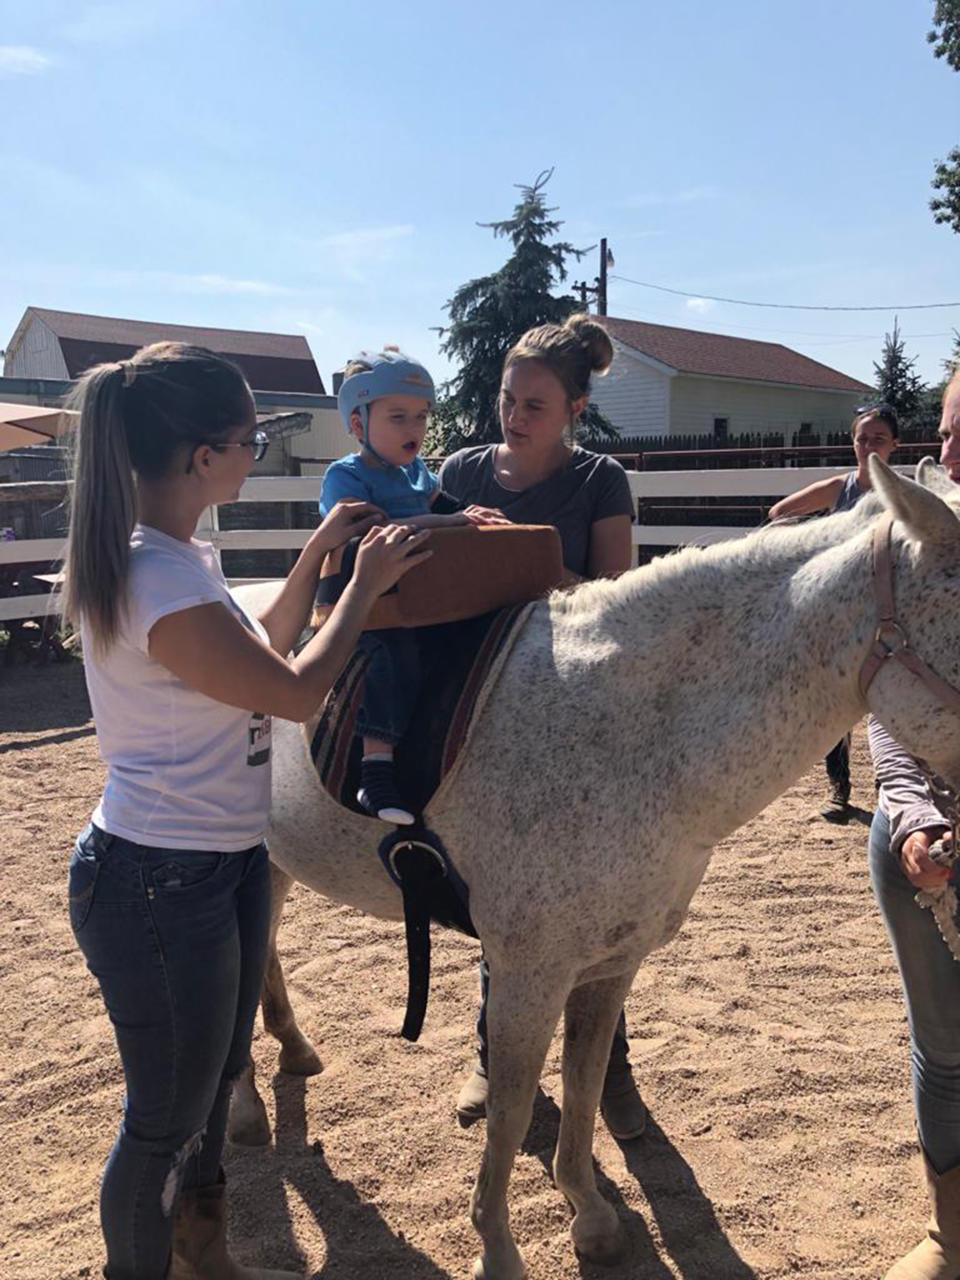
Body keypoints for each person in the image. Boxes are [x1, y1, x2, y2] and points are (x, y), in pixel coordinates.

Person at [63, 342, 430, 1280]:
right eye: (252, 441)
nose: (254, 454)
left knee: (213, 1083)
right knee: (161, 1122)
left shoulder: (180, 556)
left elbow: (261, 652)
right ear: (203, 458)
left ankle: (204, 1261)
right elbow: (298, 692)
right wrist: (361, 590)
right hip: (161, 878)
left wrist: (315, 557)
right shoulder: (160, 575)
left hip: (213, 860)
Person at [439, 312, 647, 1141]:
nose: (513, 417)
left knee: (594, 902)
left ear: (574, 410)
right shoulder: (460, 468)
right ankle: (494, 1054)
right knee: (507, 898)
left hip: (568, 710)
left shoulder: (600, 481)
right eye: (506, 399)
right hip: (478, 706)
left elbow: (614, 604)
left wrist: (524, 557)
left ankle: (612, 1064)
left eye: (532, 404)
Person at [321, 348, 499, 824]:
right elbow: (374, 532)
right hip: (367, 603)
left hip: (421, 599)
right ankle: (374, 769)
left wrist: (479, 518)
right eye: (397, 417)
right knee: (392, 657)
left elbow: (449, 505)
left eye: (420, 417)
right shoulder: (346, 476)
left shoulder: (419, 473)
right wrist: (454, 520)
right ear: (358, 425)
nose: (414, 429)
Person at [871, 368, 960, 1280]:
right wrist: (912, 824)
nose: (946, 455)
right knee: (945, 1042)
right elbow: (892, 712)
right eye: (945, 431)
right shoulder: (926, 558)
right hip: (927, 840)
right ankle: (950, 1234)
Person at [770, 405, 900, 822]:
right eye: (863, 438)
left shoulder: (903, 494)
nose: (869, 446)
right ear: (853, 442)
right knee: (835, 704)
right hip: (842, 614)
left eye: (879, 438)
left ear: (895, 444)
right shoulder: (837, 488)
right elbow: (780, 513)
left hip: (890, 614)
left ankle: (890, 788)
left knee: (891, 701)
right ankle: (839, 789)